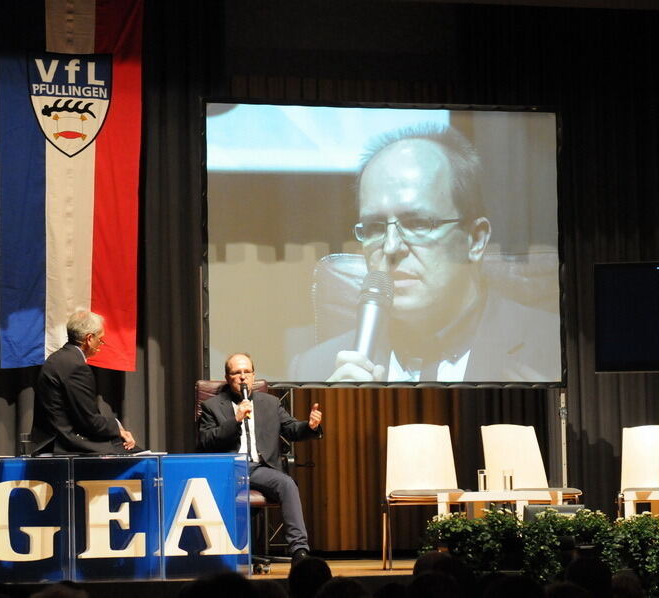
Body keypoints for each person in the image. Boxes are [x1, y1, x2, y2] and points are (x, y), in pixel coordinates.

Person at [291, 123, 559, 382]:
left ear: (475, 240)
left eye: (418, 224)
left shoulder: (552, 351)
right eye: (374, 227)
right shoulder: (316, 370)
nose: (391, 246)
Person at [197, 353, 323, 566]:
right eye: (237, 373)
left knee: (287, 484)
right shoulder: (213, 406)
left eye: (247, 372)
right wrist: (234, 420)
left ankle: (299, 551)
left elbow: (291, 429)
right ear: (228, 378)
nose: (243, 377)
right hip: (228, 468)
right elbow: (206, 441)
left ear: (254, 376)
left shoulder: (270, 403)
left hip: (258, 468)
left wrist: (310, 426)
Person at [30, 310, 138, 454]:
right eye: (100, 339)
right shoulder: (76, 366)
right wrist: (118, 428)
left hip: (52, 438)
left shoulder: (57, 358)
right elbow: (90, 421)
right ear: (89, 338)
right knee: (143, 460)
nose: (101, 344)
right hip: (66, 443)